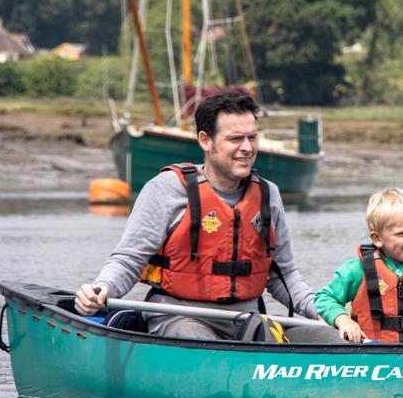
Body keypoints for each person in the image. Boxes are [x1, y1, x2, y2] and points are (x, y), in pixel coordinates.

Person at [74, 91, 341, 344]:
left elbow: (284, 276)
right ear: (205, 140)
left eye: (252, 137)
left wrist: (329, 314)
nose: (247, 148)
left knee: (333, 339)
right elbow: (129, 260)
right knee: (200, 341)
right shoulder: (166, 189)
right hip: (179, 318)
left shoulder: (268, 194)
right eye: (235, 139)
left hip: (247, 321)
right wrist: (101, 289)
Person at [314, 188, 403, 343]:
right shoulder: (357, 270)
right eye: (402, 234)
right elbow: (324, 298)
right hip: (373, 350)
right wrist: (343, 320)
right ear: (377, 238)